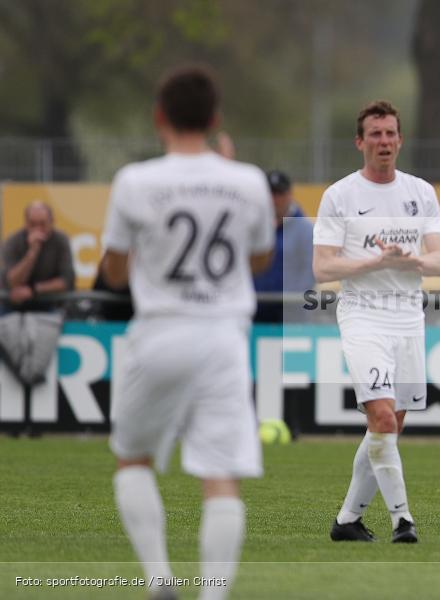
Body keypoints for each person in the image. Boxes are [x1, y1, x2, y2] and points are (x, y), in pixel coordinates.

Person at [100, 64, 274, 599]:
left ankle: (160, 581)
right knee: (221, 476)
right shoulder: (247, 181)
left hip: (159, 332)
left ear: (159, 117)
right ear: (215, 118)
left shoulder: (135, 181)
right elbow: (259, 259)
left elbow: (114, 272)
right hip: (223, 337)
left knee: (133, 457)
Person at [313, 100, 440, 543]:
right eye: (375, 134)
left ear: (400, 140)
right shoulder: (340, 196)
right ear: (360, 142)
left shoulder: (420, 192)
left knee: (387, 426)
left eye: (390, 133)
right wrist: (374, 262)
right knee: (384, 418)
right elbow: (322, 267)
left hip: (408, 317)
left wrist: (413, 260)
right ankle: (402, 520)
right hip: (363, 315)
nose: (384, 141)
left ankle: (347, 521)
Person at [252, 169, 315, 323]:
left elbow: (309, 272)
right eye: (270, 193)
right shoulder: (253, 226)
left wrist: (291, 301)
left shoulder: (305, 229)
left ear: (289, 195)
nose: (274, 199)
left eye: (279, 193)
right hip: (255, 310)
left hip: (290, 314)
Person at [2, 201, 75, 309]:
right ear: (25, 223)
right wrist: (32, 253)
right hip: (14, 307)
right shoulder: (13, 241)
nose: (37, 229)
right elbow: (12, 282)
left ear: (52, 222)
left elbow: (66, 281)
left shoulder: (61, 240)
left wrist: (33, 290)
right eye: (32, 224)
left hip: (51, 306)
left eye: (42, 224)